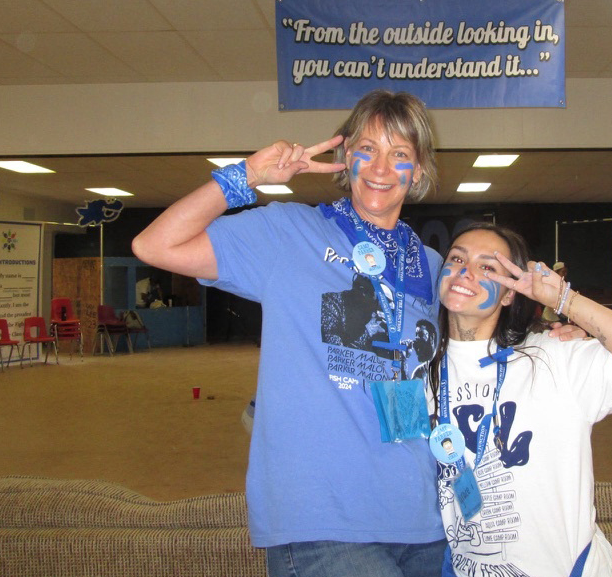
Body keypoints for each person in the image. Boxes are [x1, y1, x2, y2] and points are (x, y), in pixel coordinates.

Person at [132, 89, 447, 577]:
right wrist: (248, 176)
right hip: (323, 523)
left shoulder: (428, 265)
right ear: (346, 157)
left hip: (422, 521)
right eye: (367, 148)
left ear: (420, 171)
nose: (381, 167)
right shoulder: (289, 234)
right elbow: (154, 245)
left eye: (400, 154)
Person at [428, 223, 612, 577]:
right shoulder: (422, 376)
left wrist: (563, 300)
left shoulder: (552, 358)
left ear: (509, 293)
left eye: (487, 266)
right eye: (457, 258)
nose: (465, 271)